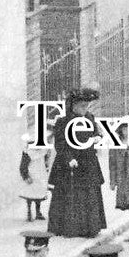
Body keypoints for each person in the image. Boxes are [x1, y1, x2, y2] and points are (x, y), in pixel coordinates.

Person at [48, 88, 108, 237]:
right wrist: (69, 159)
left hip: (88, 162)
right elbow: (60, 144)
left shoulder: (89, 118)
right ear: (73, 106)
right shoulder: (63, 122)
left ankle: (90, 228)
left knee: (89, 195)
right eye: (82, 106)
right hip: (70, 164)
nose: (84, 109)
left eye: (86, 106)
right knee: (71, 195)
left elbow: (98, 132)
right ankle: (70, 229)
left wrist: (97, 138)